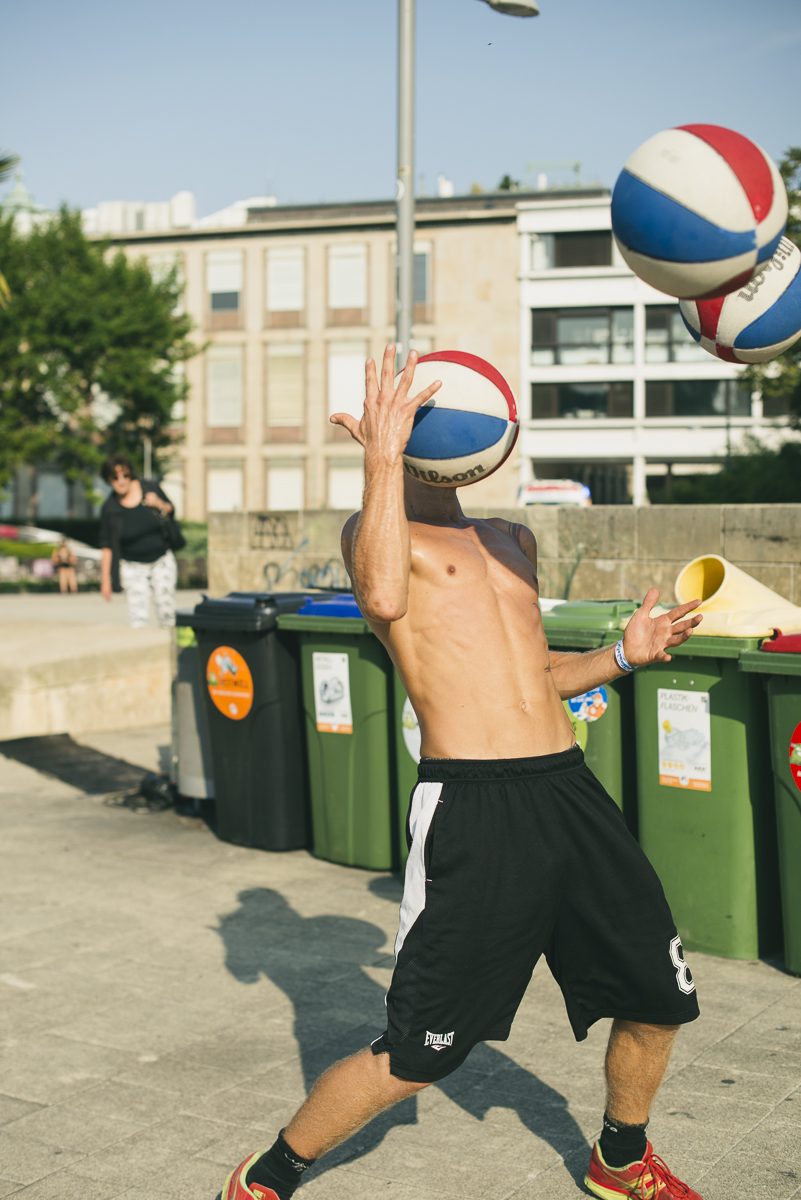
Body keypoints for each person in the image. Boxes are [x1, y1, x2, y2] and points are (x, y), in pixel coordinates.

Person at [218, 347, 706, 1200]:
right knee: (418, 1057)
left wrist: (622, 656)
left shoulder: (510, 541)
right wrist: (378, 459)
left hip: (566, 790)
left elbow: (533, 680)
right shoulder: (382, 538)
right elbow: (378, 597)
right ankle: (268, 1175)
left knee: (657, 993)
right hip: (475, 808)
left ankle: (619, 1160)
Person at [99, 453, 178, 628]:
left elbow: (171, 509)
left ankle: (172, 652)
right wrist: (106, 581)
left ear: (131, 475)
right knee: (138, 618)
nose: (121, 481)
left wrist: (158, 504)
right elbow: (106, 546)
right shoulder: (109, 508)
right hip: (132, 566)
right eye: (115, 478)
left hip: (161, 560)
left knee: (167, 612)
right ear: (108, 481)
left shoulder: (150, 488)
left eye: (125, 475)